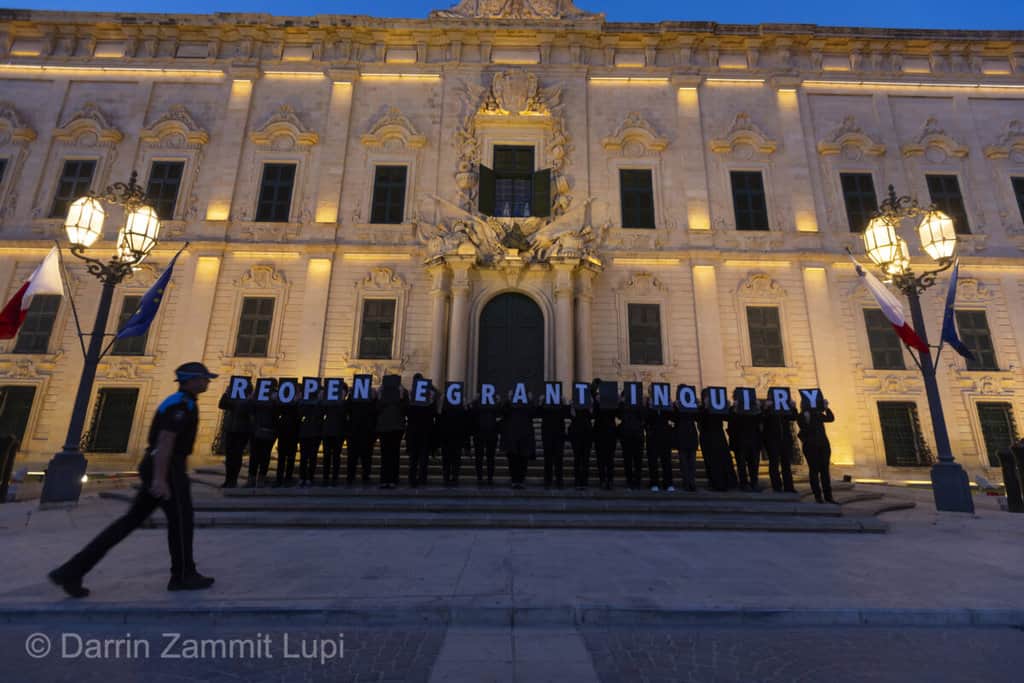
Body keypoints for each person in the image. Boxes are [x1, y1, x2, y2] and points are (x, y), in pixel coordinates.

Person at [48, 362, 218, 598]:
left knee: (129, 522)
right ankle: (183, 576)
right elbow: (165, 441)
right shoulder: (181, 405)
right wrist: (160, 479)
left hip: (161, 465)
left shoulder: (180, 402)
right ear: (191, 380)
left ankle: (72, 571)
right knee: (181, 522)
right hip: (167, 467)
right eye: (203, 378)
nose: (207, 382)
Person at [797, 398, 836, 504]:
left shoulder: (818, 414)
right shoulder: (802, 415)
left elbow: (830, 418)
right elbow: (804, 428)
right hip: (810, 447)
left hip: (823, 446)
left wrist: (826, 408)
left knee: (825, 472)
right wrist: (807, 420)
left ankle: (828, 496)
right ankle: (818, 496)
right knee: (814, 471)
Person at [217, 383, 251, 488]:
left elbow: (241, 408)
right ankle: (228, 480)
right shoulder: (233, 399)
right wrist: (226, 393)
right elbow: (221, 404)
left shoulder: (247, 401)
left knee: (236, 456)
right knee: (229, 457)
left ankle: (233, 480)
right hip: (230, 430)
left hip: (241, 431)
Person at [405, 375, 437, 487]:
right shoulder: (422, 400)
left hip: (417, 432)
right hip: (424, 432)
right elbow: (433, 414)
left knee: (415, 457)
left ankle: (413, 478)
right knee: (421, 457)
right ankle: (421, 478)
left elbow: (408, 414)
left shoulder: (417, 399)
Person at [761, 399, 797, 493]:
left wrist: (793, 408)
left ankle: (789, 487)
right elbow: (761, 419)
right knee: (774, 464)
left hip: (785, 440)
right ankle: (776, 487)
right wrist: (765, 408)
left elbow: (793, 417)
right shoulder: (768, 408)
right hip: (772, 440)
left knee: (786, 464)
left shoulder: (784, 408)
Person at [727, 400, 763, 492]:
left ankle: (754, 483)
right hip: (739, 441)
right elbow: (731, 423)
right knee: (741, 464)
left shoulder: (753, 408)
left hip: (753, 441)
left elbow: (760, 421)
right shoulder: (733, 410)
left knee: (753, 464)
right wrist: (734, 409)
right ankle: (744, 484)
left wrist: (759, 409)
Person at [501, 390, 534, 489]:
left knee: (523, 460)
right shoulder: (511, 406)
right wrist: (508, 400)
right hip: (512, 437)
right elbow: (503, 412)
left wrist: (530, 401)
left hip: (524, 437)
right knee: (513, 459)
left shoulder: (526, 407)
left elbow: (533, 413)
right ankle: (514, 480)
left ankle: (521, 480)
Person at [247, 383, 278, 488]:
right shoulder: (257, 397)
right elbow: (251, 410)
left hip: (269, 431)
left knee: (264, 456)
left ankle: (260, 479)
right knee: (255, 456)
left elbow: (278, 413)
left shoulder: (275, 399)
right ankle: (253, 479)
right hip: (258, 431)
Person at [697, 400, 731, 492]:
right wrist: (704, 408)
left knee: (721, 461)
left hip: (719, 438)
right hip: (707, 439)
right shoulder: (702, 410)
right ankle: (715, 483)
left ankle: (724, 483)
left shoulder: (718, 408)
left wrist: (727, 408)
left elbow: (727, 418)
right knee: (711, 462)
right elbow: (700, 421)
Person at [375, 384, 405, 489]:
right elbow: (376, 409)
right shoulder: (382, 393)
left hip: (396, 428)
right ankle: (384, 479)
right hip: (384, 428)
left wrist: (401, 396)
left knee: (394, 455)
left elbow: (404, 410)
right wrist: (379, 396)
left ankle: (393, 479)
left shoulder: (402, 392)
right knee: (385, 455)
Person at [536, 395, 569, 489]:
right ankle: (548, 481)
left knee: (558, 459)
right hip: (548, 434)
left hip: (558, 434)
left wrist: (565, 404)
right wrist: (540, 403)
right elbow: (538, 414)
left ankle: (558, 481)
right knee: (548, 459)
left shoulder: (560, 404)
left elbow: (567, 414)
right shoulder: (545, 405)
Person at [346, 388, 377, 484]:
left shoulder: (370, 400)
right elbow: (347, 409)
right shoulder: (354, 399)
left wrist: (374, 399)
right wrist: (350, 396)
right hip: (355, 433)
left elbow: (375, 412)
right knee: (353, 457)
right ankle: (351, 477)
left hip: (366, 433)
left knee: (365, 457)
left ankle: (364, 476)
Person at [320, 382, 348, 487]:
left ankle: (334, 478)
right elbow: (322, 411)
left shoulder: (345, 403)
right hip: (327, 432)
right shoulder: (328, 402)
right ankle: (325, 478)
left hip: (339, 433)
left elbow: (345, 414)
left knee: (336, 456)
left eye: (343, 390)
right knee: (326, 456)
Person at [645, 393, 674, 492]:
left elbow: (672, 418)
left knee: (666, 461)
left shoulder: (665, 403)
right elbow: (645, 418)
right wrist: (650, 407)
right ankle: (654, 483)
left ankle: (668, 483)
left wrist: (671, 407)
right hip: (652, 437)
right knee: (652, 462)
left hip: (665, 437)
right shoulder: (648, 404)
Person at [470, 394, 500, 485]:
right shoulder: (479, 404)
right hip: (481, 433)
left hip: (489, 433)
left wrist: (498, 403)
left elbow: (500, 413)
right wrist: (474, 401)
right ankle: (482, 477)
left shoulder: (492, 404)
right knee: (482, 457)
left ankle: (487, 477)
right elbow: (472, 413)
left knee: (488, 457)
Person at [297, 388, 325, 488]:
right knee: (308, 457)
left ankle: (306, 478)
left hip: (309, 434)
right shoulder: (316, 405)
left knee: (308, 457)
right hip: (310, 434)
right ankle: (306, 478)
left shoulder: (309, 405)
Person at [670, 401, 699, 492]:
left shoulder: (692, 406)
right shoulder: (677, 407)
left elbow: (697, 417)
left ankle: (691, 482)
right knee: (685, 463)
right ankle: (687, 483)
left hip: (690, 438)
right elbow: (673, 419)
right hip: (682, 438)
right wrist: (675, 408)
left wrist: (697, 406)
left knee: (691, 463)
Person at [618, 391, 645, 490]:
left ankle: (637, 482)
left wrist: (642, 404)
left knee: (638, 461)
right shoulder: (623, 406)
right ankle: (629, 481)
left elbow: (643, 416)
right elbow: (619, 416)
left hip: (638, 436)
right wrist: (621, 403)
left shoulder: (639, 405)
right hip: (626, 436)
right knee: (627, 461)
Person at [440, 400, 469, 486]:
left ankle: (447, 477)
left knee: (448, 459)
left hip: (449, 437)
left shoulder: (446, 409)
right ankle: (453, 477)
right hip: (455, 436)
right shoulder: (459, 409)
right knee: (455, 459)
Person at [568, 391, 594, 490]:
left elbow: (592, 415)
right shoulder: (575, 404)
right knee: (577, 459)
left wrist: (591, 404)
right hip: (576, 434)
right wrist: (572, 406)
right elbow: (572, 415)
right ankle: (577, 480)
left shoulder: (587, 406)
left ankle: (584, 480)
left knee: (585, 459)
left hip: (587, 434)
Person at [274, 394, 300, 487]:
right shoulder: (286, 406)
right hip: (286, 434)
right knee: (285, 458)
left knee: (288, 458)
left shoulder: (293, 407)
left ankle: (285, 478)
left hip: (290, 435)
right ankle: (282, 478)